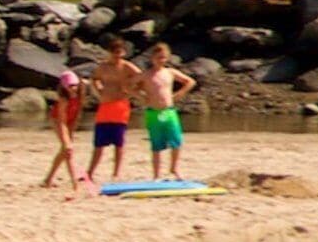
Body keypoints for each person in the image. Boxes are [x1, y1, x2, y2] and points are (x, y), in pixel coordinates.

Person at [83, 39, 141, 185]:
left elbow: (142, 78)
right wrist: (99, 90)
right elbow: (94, 79)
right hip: (105, 105)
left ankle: (116, 173)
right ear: (110, 53)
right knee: (99, 143)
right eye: (115, 54)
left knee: (119, 143)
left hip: (120, 106)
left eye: (120, 54)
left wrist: (130, 92)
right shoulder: (103, 67)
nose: (117, 57)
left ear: (123, 53)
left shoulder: (127, 67)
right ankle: (90, 172)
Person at [141, 42, 200, 179]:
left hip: (169, 110)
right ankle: (156, 175)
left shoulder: (170, 72)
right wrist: (140, 96)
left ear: (167, 58)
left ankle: (174, 168)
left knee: (176, 141)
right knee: (156, 145)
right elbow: (129, 85)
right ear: (152, 58)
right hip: (153, 112)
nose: (160, 60)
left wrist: (180, 93)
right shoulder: (146, 74)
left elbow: (190, 82)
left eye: (163, 57)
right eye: (158, 57)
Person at [37, 69, 86, 194]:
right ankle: (74, 183)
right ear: (64, 86)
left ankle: (48, 179)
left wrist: (72, 130)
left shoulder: (80, 95)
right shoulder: (63, 100)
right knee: (68, 150)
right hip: (58, 120)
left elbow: (77, 114)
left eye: (75, 85)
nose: (73, 88)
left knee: (65, 151)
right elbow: (62, 121)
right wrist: (66, 138)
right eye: (70, 86)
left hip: (70, 120)